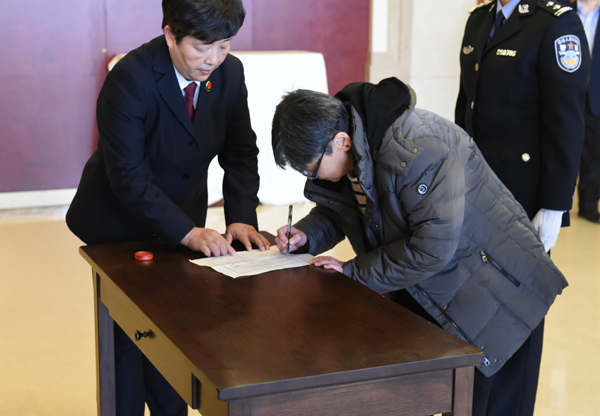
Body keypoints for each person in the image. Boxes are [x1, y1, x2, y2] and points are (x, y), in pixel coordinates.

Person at [271, 78, 568, 416]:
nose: (314, 178)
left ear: (340, 141)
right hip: (447, 287)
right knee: (440, 396)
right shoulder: (356, 143)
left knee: (488, 405)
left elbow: (431, 249)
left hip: (500, 290)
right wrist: (307, 235)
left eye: (312, 169)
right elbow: (348, 210)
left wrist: (351, 272)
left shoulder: (416, 149)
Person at [66, 0, 269, 414]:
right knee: (128, 339)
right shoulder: (130, 77)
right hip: (118, 224)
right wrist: (189, 232)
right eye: (201, 47)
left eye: (224, 46)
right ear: (171, 34)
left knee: (177, 330)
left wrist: (241, 218)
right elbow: (129, 176)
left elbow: (240, 153)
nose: (212, 60)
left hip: (182, 218)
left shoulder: (230, 73)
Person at [455, 1, 590, 414]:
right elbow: (466, 108)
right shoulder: (480, 19)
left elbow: (567, 123)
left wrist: (554, 206)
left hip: (523, 200)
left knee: (516, 317)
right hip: (476, 193)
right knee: (475, 308)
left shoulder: (557, 24)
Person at [573, 0, 600, 223]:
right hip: (565, 92)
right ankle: (556, 204)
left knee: (594, 153)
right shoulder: (562, 9)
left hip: (596, 95)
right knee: (559, 147)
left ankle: (588, 206)